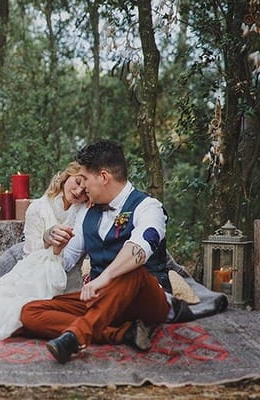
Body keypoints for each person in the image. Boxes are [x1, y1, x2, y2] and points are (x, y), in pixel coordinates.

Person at [20, 139, 173, 363]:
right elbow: (68, 260)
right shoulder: (85, 213)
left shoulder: (148, 207)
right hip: (103, 299)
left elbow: (142, 245)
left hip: (147, 300)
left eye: (85, 180)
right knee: (30, 312)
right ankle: (121, 333)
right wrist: (51, 243)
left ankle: (75, 337)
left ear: (103, 177)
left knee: (132, 271)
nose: (83, 188)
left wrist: (104, 278)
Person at [0, 162, 89, 339]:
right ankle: (13, 318)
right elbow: (32, 256)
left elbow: (71, 259)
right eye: (77, 182)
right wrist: (47, 239)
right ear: (67, 175)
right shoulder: (37, 208)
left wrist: (57, 249)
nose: (78, 192)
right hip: (30, 277)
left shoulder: (84, 212)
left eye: (85, 191)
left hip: (64, 285)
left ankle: (22, 322)